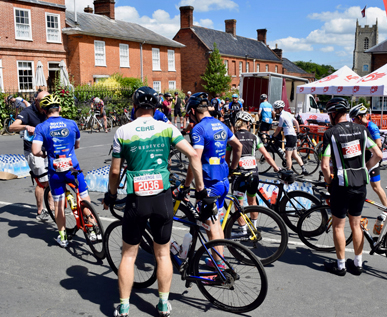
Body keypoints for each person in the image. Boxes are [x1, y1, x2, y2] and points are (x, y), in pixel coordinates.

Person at [103, 87, 205, 317]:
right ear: (156, 106)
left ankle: (124, 306)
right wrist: (200, 189)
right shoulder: (167, 127)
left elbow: (115, 171)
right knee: (162, 254)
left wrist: (110, 195)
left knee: (129, 255)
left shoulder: (123, 131)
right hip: (162, 197)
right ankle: (162, 304)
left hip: (136, 199)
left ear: (135, 105)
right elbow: (193, 155)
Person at [321, 97, 382, 276]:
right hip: (360, 183)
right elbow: (378, 154)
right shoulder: (362, 129)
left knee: (339, 226)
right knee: (356, 225)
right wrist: (365, 169)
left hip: (341, 184)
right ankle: (357, 264)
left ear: (333, 113)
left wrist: (328, 183)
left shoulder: (330, 133)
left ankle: (340, 266)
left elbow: (325, 166)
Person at [181, 92, 242, 265]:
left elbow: (195, 159)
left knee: (212, 227)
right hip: (223, 181)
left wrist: (187, 185)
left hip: (209, 184)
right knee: (217, 222)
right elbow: (237, 146)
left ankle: (219, 267)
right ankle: (217, 258)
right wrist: (232, 167)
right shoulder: (221, 124)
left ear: (193, 110)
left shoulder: (198, 129)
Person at [31, 93, 95, 248]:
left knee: (59, 204)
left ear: (45, 111)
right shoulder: (72, 123)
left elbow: (35, 150)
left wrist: (45, 152)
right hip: (72, 167)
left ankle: (63, 238)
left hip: (55, 169)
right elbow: (77, 145)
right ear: (59, 108)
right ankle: (93, 230)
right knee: (84, 197)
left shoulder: (41, 127)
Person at [226, 111, 279, 236]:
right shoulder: (255, 137)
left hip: (239, 175)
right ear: (248, 124)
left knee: (238, 202)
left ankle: (243, 228)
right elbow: (266, 155)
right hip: (253, 173)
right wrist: (277, 168)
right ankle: (253, 228)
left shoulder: (233, 137)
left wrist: (229, 172)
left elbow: (227, 159)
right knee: (252, 201)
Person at [9, 91, 51, 221]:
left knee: (51, 180)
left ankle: (52, 208)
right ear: (36, 101)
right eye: (43, 104)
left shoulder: (48, 110)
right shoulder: (27, 112)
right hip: (33, 151)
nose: (45, 107)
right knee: (42, 181)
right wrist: (26, 126)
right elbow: (12, 127)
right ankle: (40, 211)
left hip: (47, 150)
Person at [349, 104, 387, 207]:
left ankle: (386, 210)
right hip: (361, 160)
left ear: (359, 117)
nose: (352, 121)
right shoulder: (358, 126)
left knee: (376, 187)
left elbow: (378, 145)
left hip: (371, 161)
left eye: (353, 118)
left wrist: (359, 146)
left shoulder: (371, 127)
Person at [272, 100, 310, 176]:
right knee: (295, 155)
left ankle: (289, 172)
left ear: (280, 109)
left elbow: (279, 129)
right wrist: (298, 131)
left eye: (276, 109)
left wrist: (273, 136)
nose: (275, 111)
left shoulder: (282, 116)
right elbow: (296, 122)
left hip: (289, 137)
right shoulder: (288, 113)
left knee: (287, 156)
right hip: (294, 136)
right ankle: (304, 169)